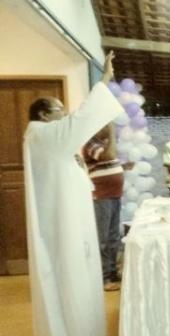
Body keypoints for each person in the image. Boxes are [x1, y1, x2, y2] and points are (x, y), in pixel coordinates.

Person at [24, 51, 123, 335]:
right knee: (68, 275)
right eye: (59, 110)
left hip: (67, 215)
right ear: (44, 114)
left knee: (77, 271)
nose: (65, 114)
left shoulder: (47, 137)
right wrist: (104, 79)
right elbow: (80, 120)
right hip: (61, 223)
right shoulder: (43, 133)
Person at [83, 124, 131, 292]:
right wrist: (111, 134)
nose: (107, 128)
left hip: (113, 194)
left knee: (113, 236)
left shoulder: (104, 144)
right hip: (102, 196)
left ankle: (112, 272)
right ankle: (104, 278)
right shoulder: (90, 144)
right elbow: (108, 155)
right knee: (103, 239)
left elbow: (108, 162)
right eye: (104, 125)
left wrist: (122, 167)